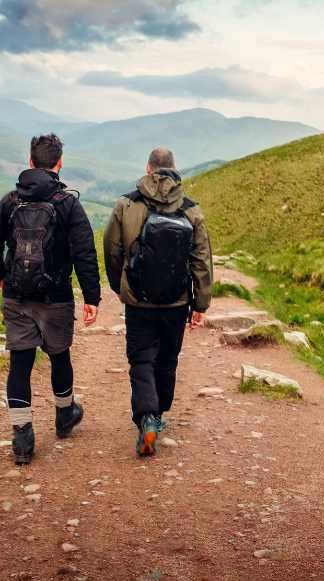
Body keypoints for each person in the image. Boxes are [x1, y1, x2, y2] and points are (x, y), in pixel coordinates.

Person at [0, 133, 101, 465]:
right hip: (57, 296)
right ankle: (65, 416)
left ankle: (22, 440)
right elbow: (84, 252)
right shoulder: (68, 204)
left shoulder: (10, 201)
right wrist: (92, 296)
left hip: (17, 295)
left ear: (30, 161)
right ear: (59, 164)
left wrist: (1, 276)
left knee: (20, 362)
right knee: (59, 356)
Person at [103, 147, 212, 457]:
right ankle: (159, 414)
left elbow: (112, 249)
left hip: (138, 301)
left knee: (141, 359)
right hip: (176, 302)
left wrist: (120, 286)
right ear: (175, 169)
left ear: (148, 169)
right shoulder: (192, 210)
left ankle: (147, 417)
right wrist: (200, 304)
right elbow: (201, 260)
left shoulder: (126, 203)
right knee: (167, 359)